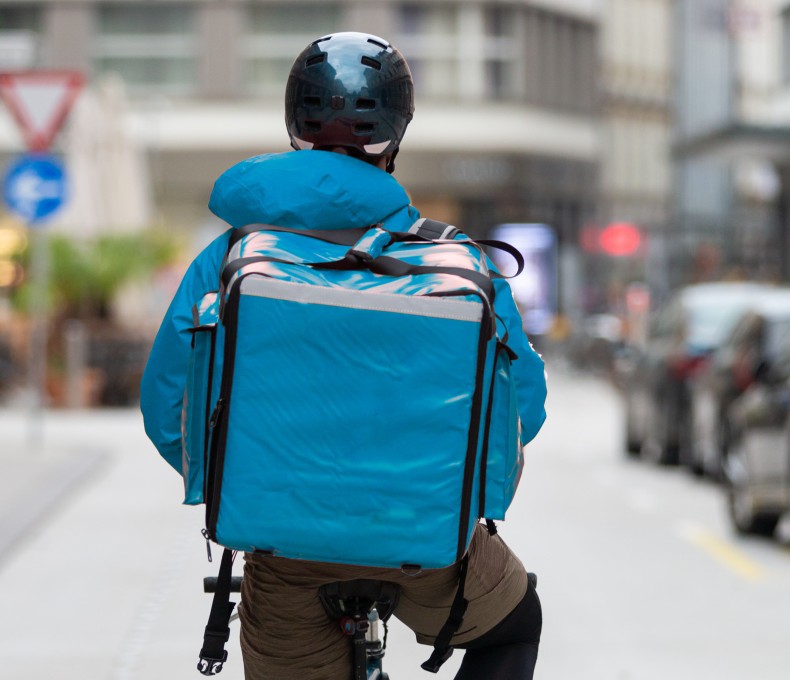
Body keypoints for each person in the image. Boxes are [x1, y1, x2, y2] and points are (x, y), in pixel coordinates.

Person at [140, 31, 547, 680]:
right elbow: (524, 408)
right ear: (396, 130)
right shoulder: (457, 262)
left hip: (281, 546)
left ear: (293, 122)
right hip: (429, 544)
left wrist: (247, 486)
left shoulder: (228, 259)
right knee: (514, 626)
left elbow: (168, 409)